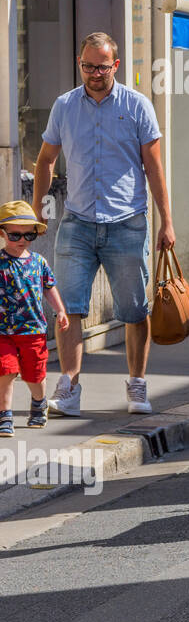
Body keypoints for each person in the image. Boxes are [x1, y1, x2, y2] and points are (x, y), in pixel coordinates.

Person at [31, 32, 177, 417]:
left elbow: (154, 168)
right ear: (79, 64)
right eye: (87, 66)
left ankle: (137, 385)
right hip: (76, 223)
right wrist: (37, 212)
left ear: (116, 64)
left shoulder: (138, 105)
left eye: (101, 66)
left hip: (127, 223)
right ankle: (69, 387)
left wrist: (167, 222)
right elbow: (45, 160)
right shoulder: (64, 106)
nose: (94, 73)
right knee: (68, 308)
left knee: (133, 310)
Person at [0, 201, 69, 435]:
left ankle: (39, 404)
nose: (21, 239)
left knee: (35, 373)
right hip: (3, 331)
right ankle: (4, 414)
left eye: (28, 234)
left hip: (33, 330)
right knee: (6, 370)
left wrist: (59, 310)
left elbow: (49, 287)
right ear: (2, 233)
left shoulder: (39, 262)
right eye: (14, 235)